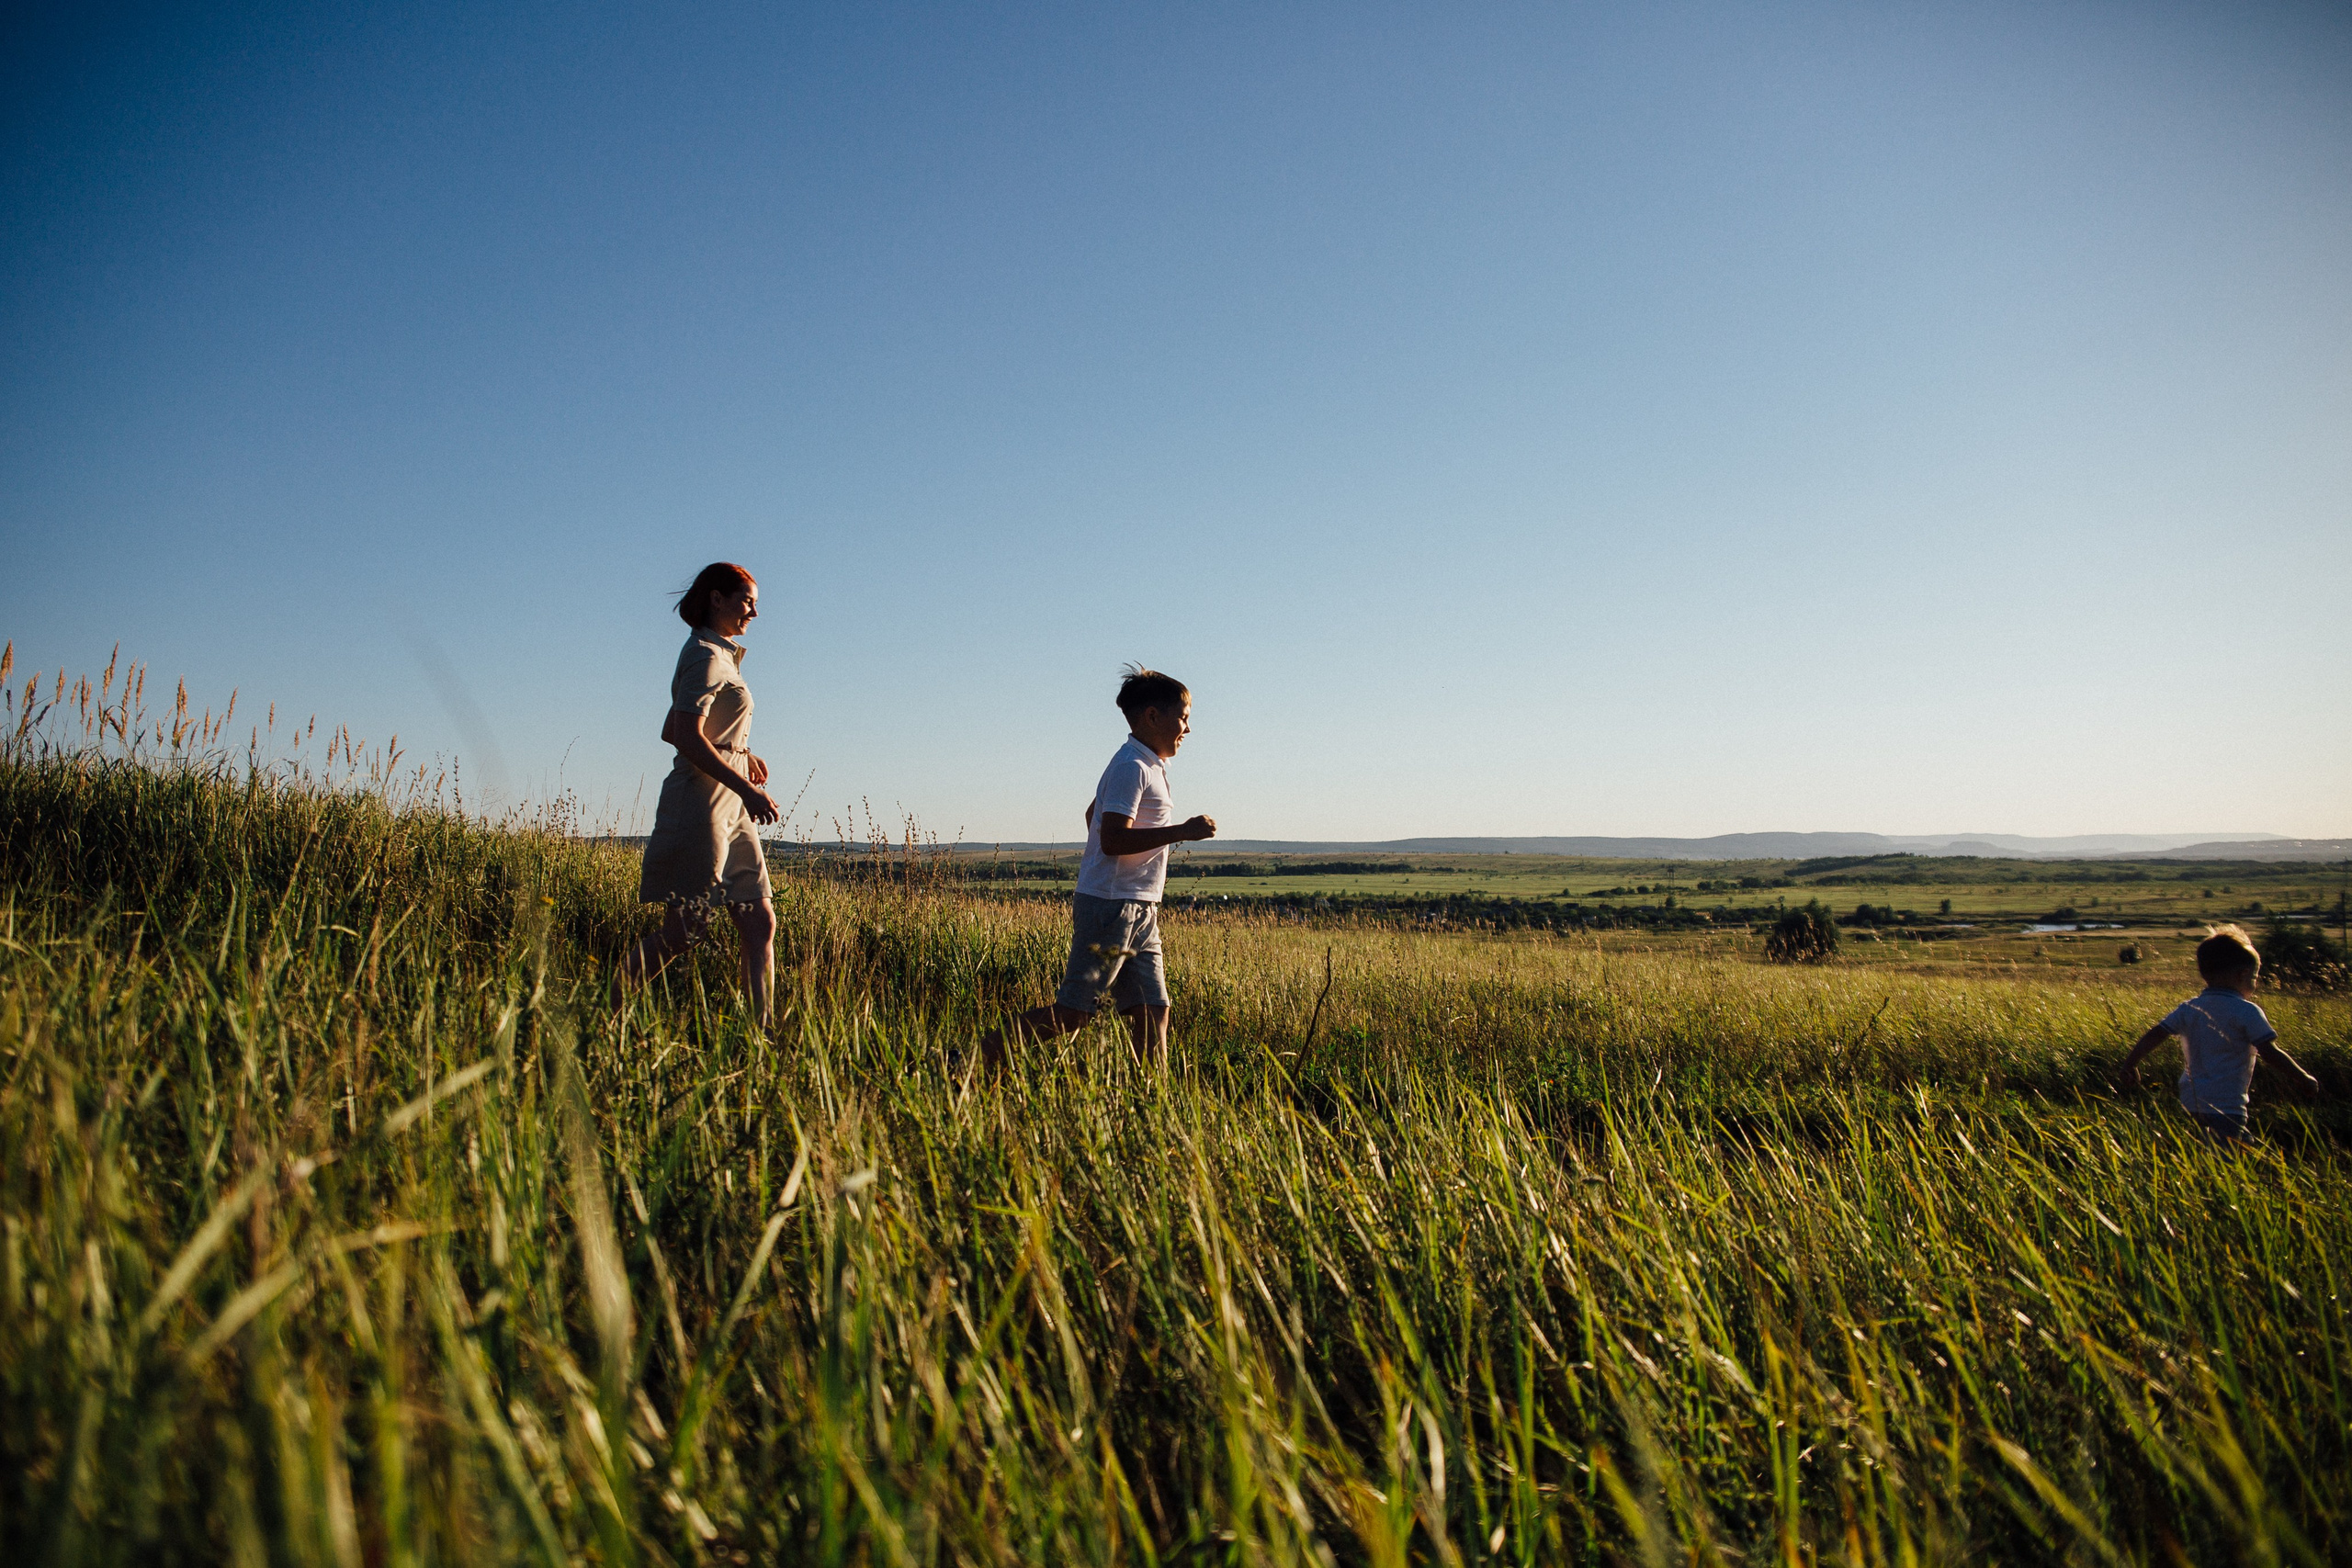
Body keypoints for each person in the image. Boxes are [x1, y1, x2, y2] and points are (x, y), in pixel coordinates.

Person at [980, 665, 1216, 1068]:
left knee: (1152, 1011)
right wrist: (1182, 831)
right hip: (1112, 906)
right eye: (1183, 718)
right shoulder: (1132, 767)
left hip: (1137, 906)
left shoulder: (1147, 765)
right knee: (1075, 1013)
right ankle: (965, 1061)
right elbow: (1110, 839)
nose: (1188, 729)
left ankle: (1152, 1107)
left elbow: (1094, 814)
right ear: (1152, 716)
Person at [625, 562, 782, 1023]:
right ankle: (604, 1011)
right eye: (747, 600)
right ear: (717, 599)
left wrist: (742, 752)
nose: (754, 611)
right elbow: (681, 734)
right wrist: (746, 788)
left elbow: (682, 727)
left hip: (730, 806)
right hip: (701, 806)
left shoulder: (721, 655)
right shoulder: (705, 656)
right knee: (684, 934)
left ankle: (763, 1040)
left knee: (759, 925)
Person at [2116, 923, 2318, 1140]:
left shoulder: (2190, 1008)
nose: (2254, 985)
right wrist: (2302, 1077)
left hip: (2192, 1100)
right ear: (2242, 975)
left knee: (2211, 1147)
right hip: (2227, 1103)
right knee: (2229, 1155)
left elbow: (2156, 1034)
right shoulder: (2247, 1011)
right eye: (2255, 978)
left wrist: (2131, 1063)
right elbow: (2269, 1052)